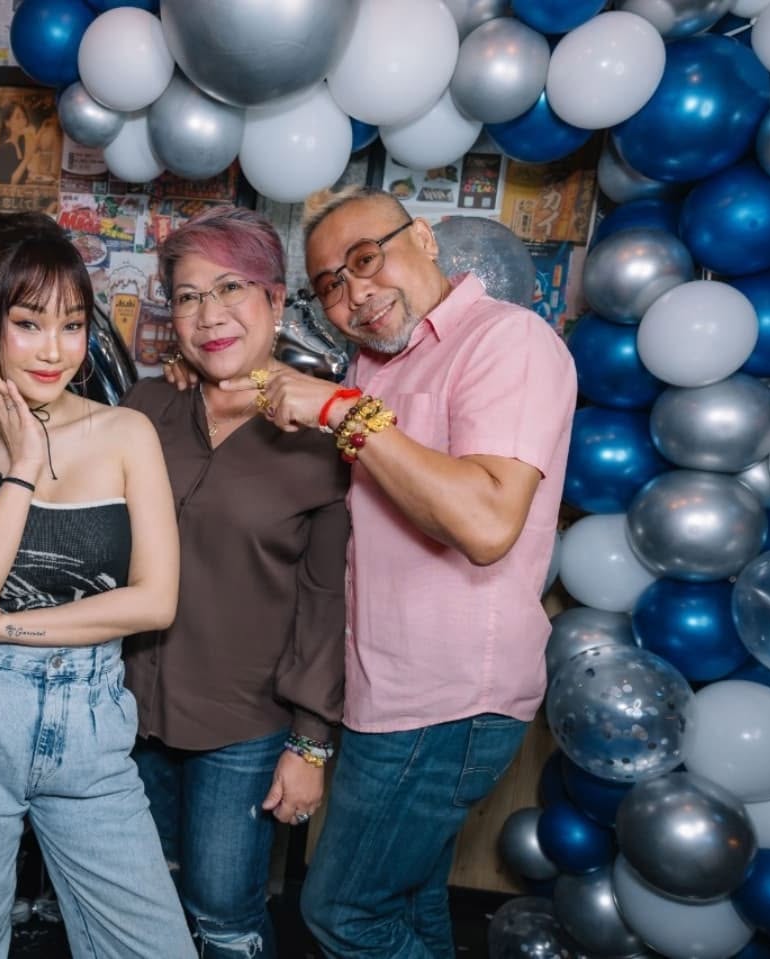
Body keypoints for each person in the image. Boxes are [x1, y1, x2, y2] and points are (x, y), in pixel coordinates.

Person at [227, 186, 576, 958]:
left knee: (343, 912)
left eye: (365, 260)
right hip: (388, 691)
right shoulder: (381, 362)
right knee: (411, 906)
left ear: (422, 237)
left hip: (447, 696)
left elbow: (484, 524)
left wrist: (341, 409)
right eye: (330, 284)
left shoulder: (505, 340)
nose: (354, 293)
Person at [0, 211, 195, 958]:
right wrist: (24, 466)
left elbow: (155, 599)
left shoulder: (126, 434)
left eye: (72, 326)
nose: (55, 350)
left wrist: (9, 624)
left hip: (91, 716)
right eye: (29, 324)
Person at [123, 206, 350, 958]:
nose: (209, 314)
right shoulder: (146, 408)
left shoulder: (323, 437)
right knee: (138, 903)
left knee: (223, 912)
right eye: (188, 296)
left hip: (244, 726)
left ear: (276, 301)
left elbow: (325, 603)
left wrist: (310, 745)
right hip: (125, 714)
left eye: (231, 288)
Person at [0, 102, 36, 186]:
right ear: (7, 123)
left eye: (24, 117)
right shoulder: (4, 148)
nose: (22, 121)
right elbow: (8, 184)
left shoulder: (22, 142)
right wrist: (26, 159)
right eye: (17, 117)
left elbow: (21, 175)